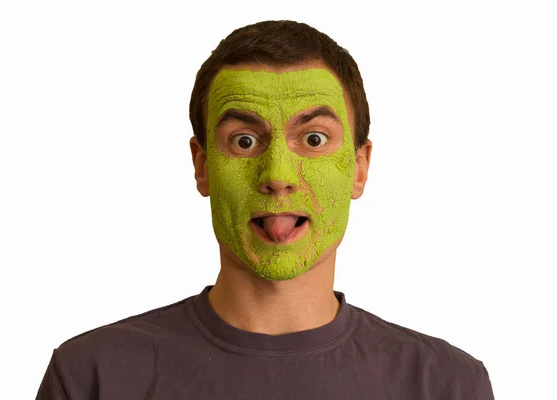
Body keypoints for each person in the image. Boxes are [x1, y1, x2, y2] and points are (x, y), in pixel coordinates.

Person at [36, 20, 495, 399]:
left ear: (358, 168)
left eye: (314, 139)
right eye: (245, 141)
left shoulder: (448, 386)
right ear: (203, 167)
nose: (278, 175)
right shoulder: (92, 377)